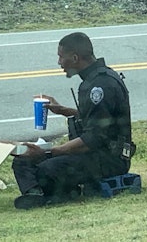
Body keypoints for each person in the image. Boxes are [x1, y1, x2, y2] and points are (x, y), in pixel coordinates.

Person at [12, 32, 136, 209]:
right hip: (93, 154)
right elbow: (99, 119)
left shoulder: (100, 85)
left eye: (61, 57)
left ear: (75, 58)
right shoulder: (94, 80)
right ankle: (35, 194)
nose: (59, 63)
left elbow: (94, 138)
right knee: (23, 160)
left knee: (47, 169)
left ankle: (52, 194)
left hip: (109, 158)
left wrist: (49, 152)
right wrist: (62, 110)